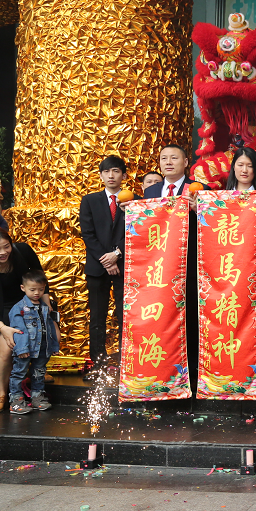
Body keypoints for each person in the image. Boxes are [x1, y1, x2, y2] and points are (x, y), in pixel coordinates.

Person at [143, 145, 205, 389]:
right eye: (163, 158)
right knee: (160, 319)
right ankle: (161, 371)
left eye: (174, 158)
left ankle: (192, 372)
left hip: (189, 267)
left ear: (186, 161)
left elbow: (216, 222)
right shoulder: (150, 192)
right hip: (157, 269)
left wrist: (199, 209)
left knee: (189, 317)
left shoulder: (199, 190)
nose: (168, 162)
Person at [0, 226, 45, 413]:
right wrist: (2, 327)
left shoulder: (23, 251)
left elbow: (39, 275)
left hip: (30, 302)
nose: (3, 252)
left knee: (43, 341)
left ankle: (36, 378)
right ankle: (1, 394)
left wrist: (45, 301)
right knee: (6, 349)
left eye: (6, 246)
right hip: (3, 310)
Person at [79, 155, 132, 377]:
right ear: (101, 175)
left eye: (116, 171)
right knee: (97, 318)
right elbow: (88, 234)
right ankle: (98, 364)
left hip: (124, 266)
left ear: (124, 175)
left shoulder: (133, 200)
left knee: (125, 317)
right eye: (107, 172)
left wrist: (117, 254)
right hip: (98, 267)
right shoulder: (89, 200)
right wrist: (106, 258)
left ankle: (124, 365)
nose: (111, 175)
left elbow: (133, 230)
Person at [224, 147, 256, 303]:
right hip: (228, 267)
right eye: (240, 165)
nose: (244, 170)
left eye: (250, 165)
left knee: (253, 317)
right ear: (234, 167)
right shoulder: (223, 198)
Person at [7, 269, 60, 414]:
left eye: (41, 289)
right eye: (32, 289)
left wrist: (54, 345)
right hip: (26, 347)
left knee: (39, 372)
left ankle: (37, 397)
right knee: (19, 372)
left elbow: (49, 327)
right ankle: (16, 400)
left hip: (43, 347)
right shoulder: (18, 308)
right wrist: (22, 348)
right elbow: (18, 329)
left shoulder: (44, 307)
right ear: (23, 288)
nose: (37, 293)